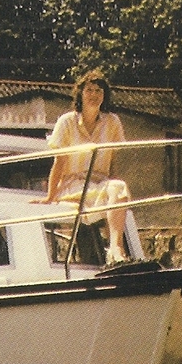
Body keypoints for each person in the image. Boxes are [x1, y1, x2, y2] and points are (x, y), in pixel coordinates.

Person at [31, 70, 131, 263]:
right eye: (89, 90)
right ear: (80, 94)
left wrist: (117, 192)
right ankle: (114, 252)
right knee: (112, 193)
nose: (94, 95)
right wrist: (50, 197)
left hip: (100, 184)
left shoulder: (112, 122)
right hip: (73, 185)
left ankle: (115, 249)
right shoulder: (66, 122)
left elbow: (113, 161)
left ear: (104, 96)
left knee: (119, 188)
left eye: (99, 91)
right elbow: (59, 163)